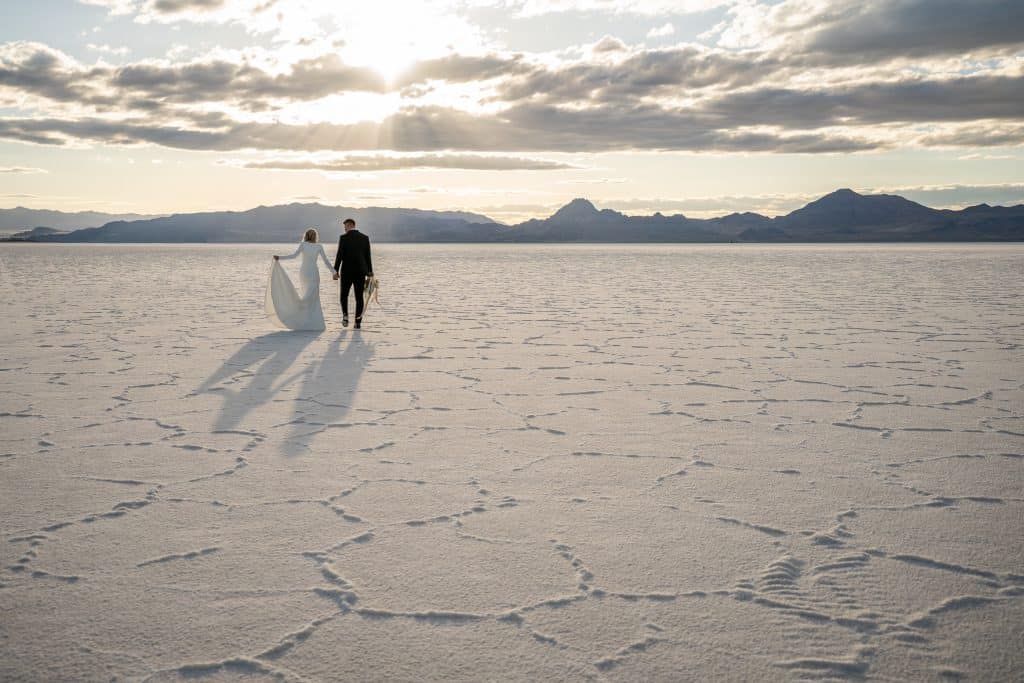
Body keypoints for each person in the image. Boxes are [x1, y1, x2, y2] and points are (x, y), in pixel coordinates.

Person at [265, 228, 335, 331]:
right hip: (313, 272)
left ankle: (303, 318)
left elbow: (294, 256)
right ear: (315, 236)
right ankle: (312, 321)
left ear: (306, 235)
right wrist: (333, 272)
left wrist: (280, 257)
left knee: (307, 295)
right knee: (313, 297)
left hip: (304, 272)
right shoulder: (318, 246)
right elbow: (326, 261)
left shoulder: (304, 245)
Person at [333, 217, 373, 329]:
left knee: (343, 295)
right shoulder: (365, 238)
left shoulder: (343, 238)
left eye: (345, 226)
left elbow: (339, 256)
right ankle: (357, 322)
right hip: (361, 272)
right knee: (359, 297)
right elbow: (368, 257)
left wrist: (335, 271)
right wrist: (370, 272)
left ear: (350, 225)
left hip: (346, 271)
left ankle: (345, 315)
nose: (344, 228)